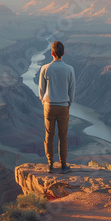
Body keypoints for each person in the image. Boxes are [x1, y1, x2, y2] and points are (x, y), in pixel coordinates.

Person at [39, 41, 75, 174]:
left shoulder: (45, 68)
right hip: (63, 106)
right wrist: (69, 103)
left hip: (49, 106)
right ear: (63, 53)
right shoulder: (70, 69)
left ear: (52, 53)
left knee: (49, 135)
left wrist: (44, 102)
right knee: (63, 136)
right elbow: (72, 89)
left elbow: (41, 90)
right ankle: (64, 165)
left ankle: (50, 164)